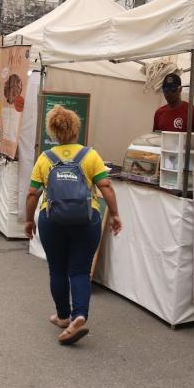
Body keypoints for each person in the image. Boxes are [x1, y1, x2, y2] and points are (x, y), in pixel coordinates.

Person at [25, 105, 122, 345]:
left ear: (53, 131)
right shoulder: (90, 155)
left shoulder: (45, 158)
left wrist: (29, 220)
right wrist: (116, 214)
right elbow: (106, 186)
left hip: (52, 220)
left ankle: (62, 316)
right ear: (76, 128)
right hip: (87, 220)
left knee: (57, 269)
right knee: (79, 270)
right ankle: (80, 315)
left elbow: (32, 194)